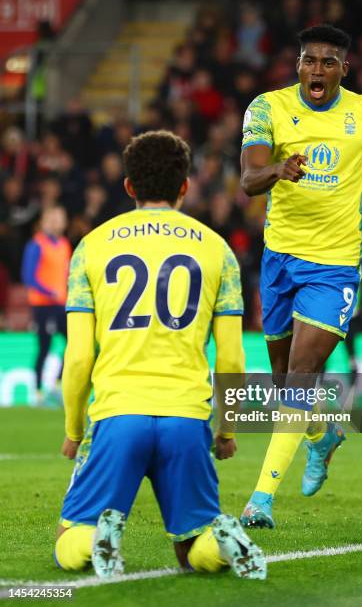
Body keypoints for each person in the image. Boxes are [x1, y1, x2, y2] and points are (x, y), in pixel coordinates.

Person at [53, 131, 266, 580]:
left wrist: (74, 429)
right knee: (193, 548)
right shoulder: (218, 251)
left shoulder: (91, 247)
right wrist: (225, 430)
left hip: (118, 415)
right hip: (186, 420)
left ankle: (96, 541)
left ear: (128, 186)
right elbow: (231, 358)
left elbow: (76, 358)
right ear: (185, 186)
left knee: (69, 534)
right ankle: (223, 541)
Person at [239, 25, 362, 528]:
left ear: (345, 69)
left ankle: (260, 501)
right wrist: (276, 170)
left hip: (336, 264)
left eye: (327, 62)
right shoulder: (267, 108)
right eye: (308, 61)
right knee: (283, 381)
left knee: (299, 375)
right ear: (297, 65)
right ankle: (323, 435)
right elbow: (248, 178)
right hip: (279, 258)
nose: (316, 70)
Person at [21, 205, 71, 404]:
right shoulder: (36, 245)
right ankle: (39, 392)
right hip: (43, 305)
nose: (57, 223)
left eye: (60, 218)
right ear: (44, 222)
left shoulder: (65, 244)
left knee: (74, 343)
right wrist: (49, 291)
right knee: (44, 347)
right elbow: (28, 276)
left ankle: (58, 384)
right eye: (53, 219)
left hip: (62, 304)